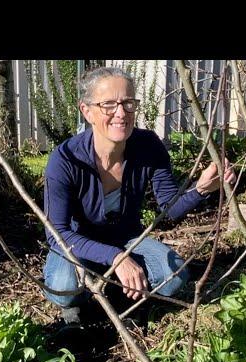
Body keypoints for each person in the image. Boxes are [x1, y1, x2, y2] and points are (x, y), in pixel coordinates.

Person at [42, 66, 235, 327]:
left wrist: (201, 189)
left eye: (128, 103)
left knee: (175, 276)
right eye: (108, 105)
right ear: (87, 111)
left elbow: (168, 207)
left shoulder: (147, 146)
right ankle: (84, 297)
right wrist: (116, 257)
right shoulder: (65, 159)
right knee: (63, 288)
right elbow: (57, 234)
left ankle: (117, 289)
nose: (120, 113)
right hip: (78, 245)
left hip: (126, 239)